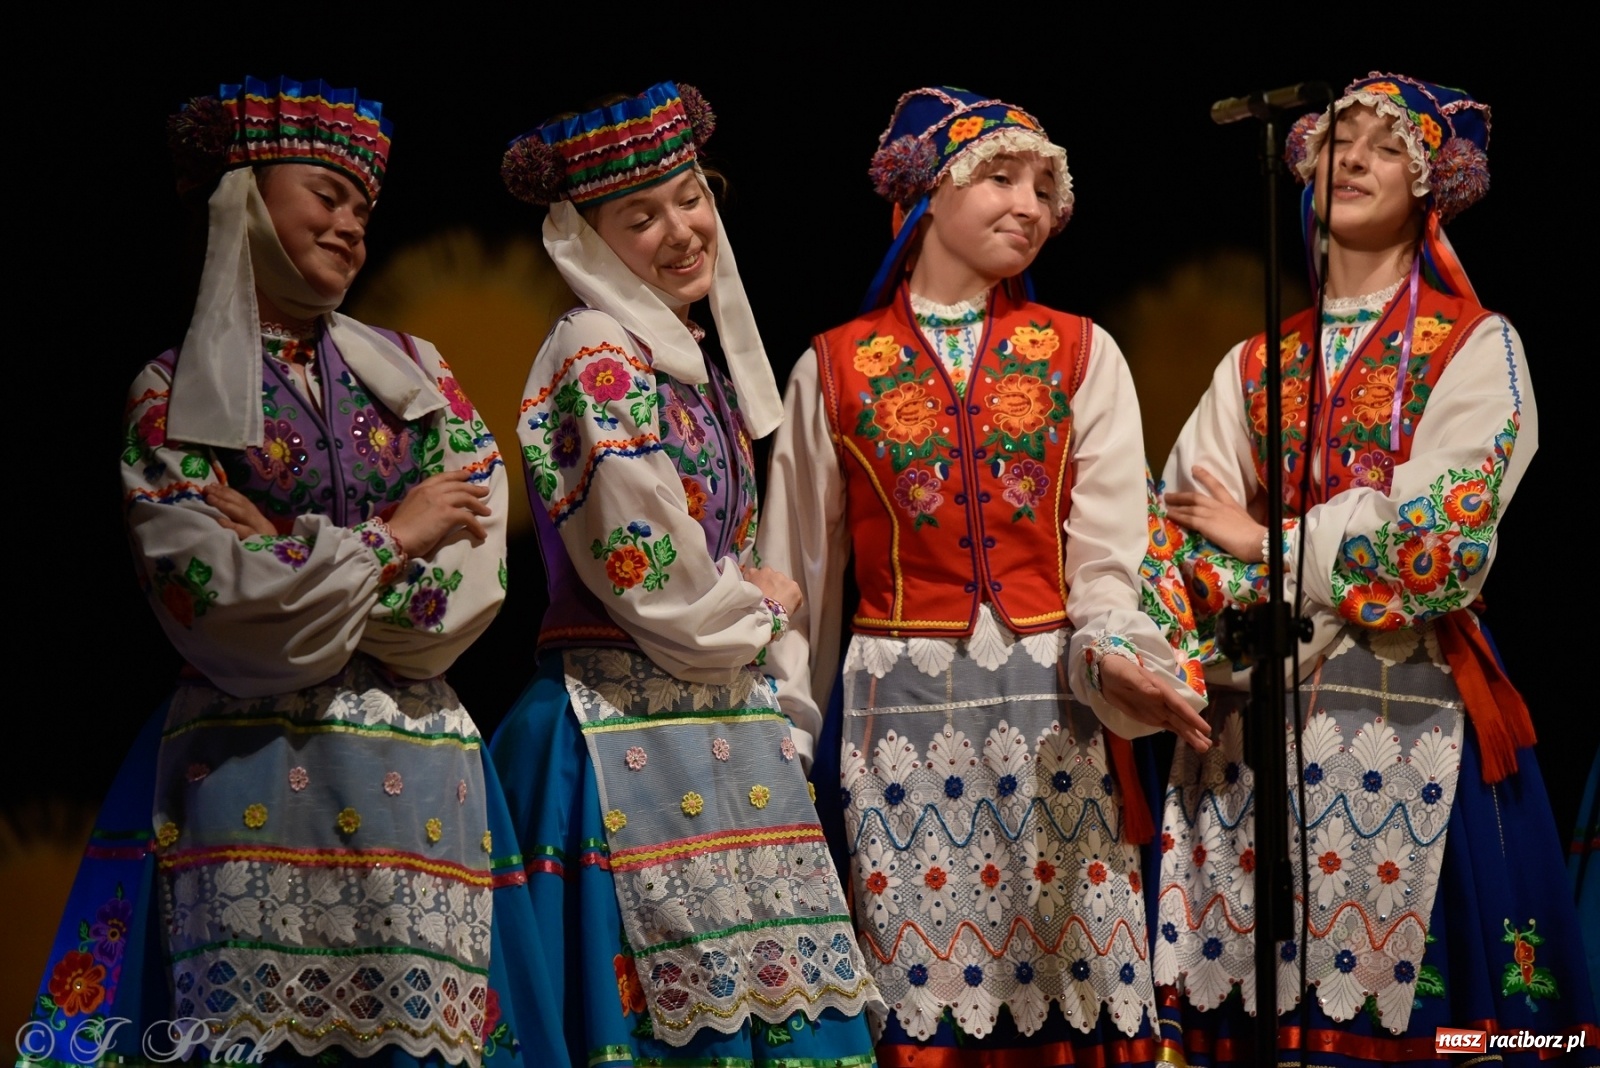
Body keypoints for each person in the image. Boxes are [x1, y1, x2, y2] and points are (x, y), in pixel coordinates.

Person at [19, 77, 557, 1067]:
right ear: (247, 200)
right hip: (249, 772)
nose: (352, 227)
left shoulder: (421, 373)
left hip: (419, 778)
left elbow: (474, 588)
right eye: (328, 196)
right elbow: (214, 604)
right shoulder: (171, 391)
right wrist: (393, 537)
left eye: (365, 211)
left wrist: (281, 545)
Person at [759, 86, 1211, 1065]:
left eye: (1044, 188)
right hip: (898, 716)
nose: (1029, 204)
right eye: (1001, 178)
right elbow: (795, 582)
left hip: (1054, 707)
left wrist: (1117, 657)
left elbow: (1107, 561)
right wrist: (786, 740)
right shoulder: (833, 368)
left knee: (1073, 987)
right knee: (926, 994)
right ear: (927, 194)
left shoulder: (1080, 354)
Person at [1154, 72, 1600, 1063]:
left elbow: (1438, 547)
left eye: (1384, 147)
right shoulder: (1252, 365)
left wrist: (1264, 543)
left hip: (1410, 710)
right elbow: (1179, 540)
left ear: (1431, 182)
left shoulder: (1476, 346)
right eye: (1334, 141)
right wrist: (1260, 571)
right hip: (1254, 731)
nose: (1351, 159)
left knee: (1434, 1025)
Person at [489, 81, 880, 1067]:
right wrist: (758, 606)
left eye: (690, 198)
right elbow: (648, 566)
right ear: (588, 240)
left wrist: (750, 622)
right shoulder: (595, 348)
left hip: (717, 723)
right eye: (641, 217)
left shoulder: (682, 356)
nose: (681, 230)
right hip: (618, 722)